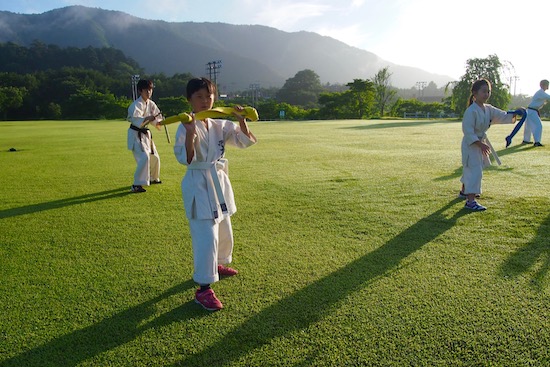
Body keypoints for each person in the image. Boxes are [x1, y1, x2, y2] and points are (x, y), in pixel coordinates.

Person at [173, 77, 257, 311]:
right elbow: (185, 158)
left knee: (223, 228)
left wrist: (241, 121)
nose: (204, 101)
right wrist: (190, 132)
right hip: (198, 182)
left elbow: (243, 142)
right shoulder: (185, 125)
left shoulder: (220, 125)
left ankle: (218, 264)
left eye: (208, 96)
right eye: (199, 96)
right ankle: (203, 288)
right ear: (189, 99)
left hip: (218, 181)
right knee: (206, 237)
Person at [459, 78, 518, 211]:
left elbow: (502, 115)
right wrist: (480, 144)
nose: (486, 94)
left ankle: (464, 191)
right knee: (474, 171)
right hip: (471, 144)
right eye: (484, 91)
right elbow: (468, 131)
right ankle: (470, 201)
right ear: (475, 93)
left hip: (479, 143)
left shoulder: (488, 109)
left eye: (488, 91)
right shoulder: (471, 111)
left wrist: (516, 113)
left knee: (473, 168)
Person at [127, 79, 163, 193]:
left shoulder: (151, 104)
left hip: (145, 135)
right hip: (136, 134)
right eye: (146, 90)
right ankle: (136, 184)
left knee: (155, 156)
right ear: (140, 91)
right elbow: (137, 120)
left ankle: (153, 178)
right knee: (144, 157)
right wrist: (149, 118)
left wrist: (160, 122)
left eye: (150, 89)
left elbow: (157, 118)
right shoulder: (135, 105)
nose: (149, 92)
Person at [522, 79, 550, 147]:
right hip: (532, 110)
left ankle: (526, 140)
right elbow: (548, 97)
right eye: (547, 85)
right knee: (538, 126)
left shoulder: (540, 92)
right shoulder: (541, 92)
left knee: (528, 126)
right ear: (543, 85)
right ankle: (537, 142)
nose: (548, 86)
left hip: (530, 110)